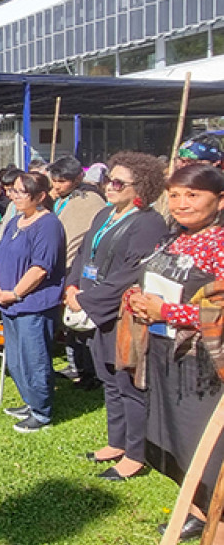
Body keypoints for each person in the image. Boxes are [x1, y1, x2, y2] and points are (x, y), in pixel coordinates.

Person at [125, 164, 224, 541]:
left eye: (193, 195)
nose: (181, 203)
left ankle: (216, 519)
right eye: (176, 195)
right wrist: (135, 298)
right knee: (178, 441)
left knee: (207, 447)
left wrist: (166, 312)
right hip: (166, 356)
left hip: (204, 366)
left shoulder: (219, 243)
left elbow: (220, 309)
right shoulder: (171, 239)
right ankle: (195, 509)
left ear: (219, 201)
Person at [64, 152, 167, 480]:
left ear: (142, 187)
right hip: (93, 307)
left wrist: (88, 300)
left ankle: (136, 455)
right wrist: (72, 287)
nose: (110, 186)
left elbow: (130, 273)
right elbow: (82, 253)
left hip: (123, 312)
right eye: (109, 178)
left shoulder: (149, 223)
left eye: (119, 182)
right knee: (108, 378)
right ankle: (116, 442)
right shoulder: (105, 213)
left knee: (128, 382)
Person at [0, 172, 66, 432]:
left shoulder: (48, 225)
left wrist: (15, 293)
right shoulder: (15, 221)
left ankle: (42, 411)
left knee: (35, 358)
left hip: (33, 304)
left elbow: (40, 268)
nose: (13, 196)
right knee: (16, 358)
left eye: (20, 192)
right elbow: (0, 256)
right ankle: (30, 401)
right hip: (9, 303)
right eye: (13, 191)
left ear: (40, 196)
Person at [47, 155, 107, 388]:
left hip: (81, 269)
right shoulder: (64, 198)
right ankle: (76, 365)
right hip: (64, 266)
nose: (56, 186)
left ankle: (91, 372)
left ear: (78, 178)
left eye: (62, 181)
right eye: (54, 180)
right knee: (70, 322)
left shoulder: (89, 201)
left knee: (83, 322)